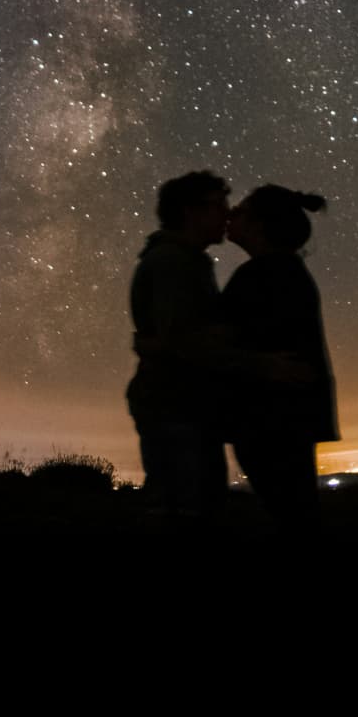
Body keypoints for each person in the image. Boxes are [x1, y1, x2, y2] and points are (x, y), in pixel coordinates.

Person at [222, 186, 338, 530]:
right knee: (298, 514)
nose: (230, 215)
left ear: (259, 225)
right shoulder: (285, 270)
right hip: (291, 417)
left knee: (292, 518)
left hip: (270, 420)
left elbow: (217, 341)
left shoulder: (259, 276)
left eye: (239, 211)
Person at [126, 170, 233, 518]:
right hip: (175, 407)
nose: (227, 214)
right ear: (191, 212)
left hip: (182, 405)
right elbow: (183, 341)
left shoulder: (186, 260)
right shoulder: (173, 262)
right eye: (219, 206)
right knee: (187, 513)